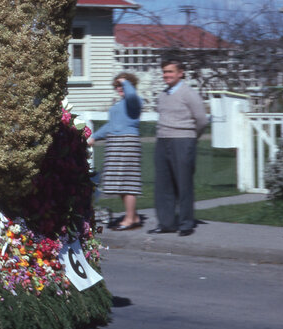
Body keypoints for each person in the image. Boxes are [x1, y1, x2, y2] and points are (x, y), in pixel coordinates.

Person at [149, 60, 208, 236]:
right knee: (163, 185)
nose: (166, 75)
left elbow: (202, 120)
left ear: (180, 73)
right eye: (164, 72)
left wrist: (191, 138)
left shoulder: (189, 94)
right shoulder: (162, 95)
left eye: (170, 72)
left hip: (183, 141)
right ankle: (166, 223)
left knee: (184, 184)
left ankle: (185, 224)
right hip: (162, 141)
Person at [87, 73, 144, 230]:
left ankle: (130, 219)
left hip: (127, 143)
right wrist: (94, 137)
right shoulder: (119, 105)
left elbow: (131, 95)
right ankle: (133, 216)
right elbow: (111, 125)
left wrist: (125, 82)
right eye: (117, 86)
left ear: (130, 85)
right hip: (115, 143)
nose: (119, 88)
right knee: (119, 184)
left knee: (128, 183)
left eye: (122, 85)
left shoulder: (135, 101)